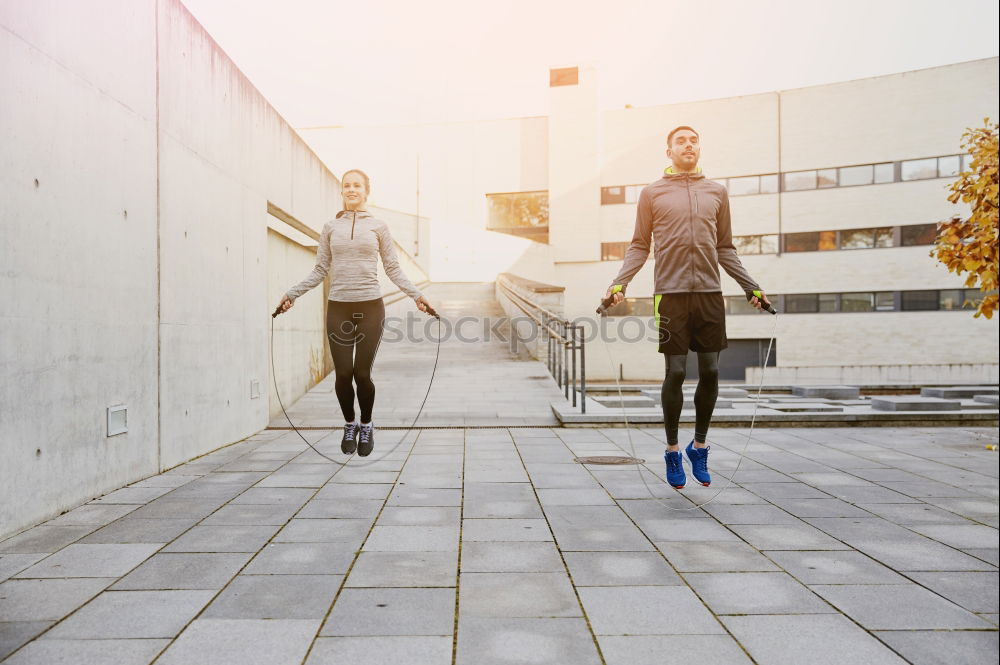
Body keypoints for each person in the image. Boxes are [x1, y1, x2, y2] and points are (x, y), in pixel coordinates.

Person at [604, 126, 770, 489]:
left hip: (710, 293)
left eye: (694, 140)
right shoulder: (652, 193)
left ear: (700, 148)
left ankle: (699, 446)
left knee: (710, 371)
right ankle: (672, 450)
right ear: (669, 151)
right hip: (671, 294)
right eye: (681, 141)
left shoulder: (717, 192)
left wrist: (751, 287)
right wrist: (620, 283)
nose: (689, 145)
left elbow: (725, 247)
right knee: (676, 372)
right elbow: (639, 245)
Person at [277, 169, 432, 457]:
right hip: (339, 306)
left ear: (366, 191)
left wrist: (417, 295)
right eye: (347, 186)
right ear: (342, 191)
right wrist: (292, 294)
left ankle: (367, 424)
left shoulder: (379, 227)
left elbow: (393, 268)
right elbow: (321, 269)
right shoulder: (330, 228)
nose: (351, 190)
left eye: (356, 185)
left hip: (370, 305)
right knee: (342, 374)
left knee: (362, 373)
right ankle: (350, 424)